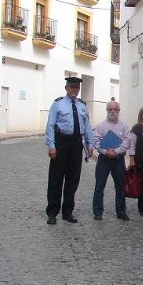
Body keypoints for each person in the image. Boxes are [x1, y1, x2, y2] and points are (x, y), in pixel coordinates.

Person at [45, 77, 94, 225]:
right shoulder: (58, 104)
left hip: (76, 145)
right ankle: (52, 212)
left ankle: (67, 212)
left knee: (73, 180)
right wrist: (51, 145)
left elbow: (87, 126)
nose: (74, 89)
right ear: (66, 88)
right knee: (56, 179)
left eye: (77, 87)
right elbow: (50, 125)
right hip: (61, 143)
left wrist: (90, 144)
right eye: (72, 87)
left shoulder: (82, 106)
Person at [92, 100, 131, 221]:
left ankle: (121, 212)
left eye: (115, 109)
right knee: (99, 186)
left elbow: (127, 141)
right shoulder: (101, 126)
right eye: (110, 109)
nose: (112, 111)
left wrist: (116, 151)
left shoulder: (124, 126)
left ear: (119, 110)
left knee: (120, 187)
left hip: (118, 160)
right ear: (107, 110)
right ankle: (98, 213)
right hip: (104, 159)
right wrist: (105, 152)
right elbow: (96, 141)